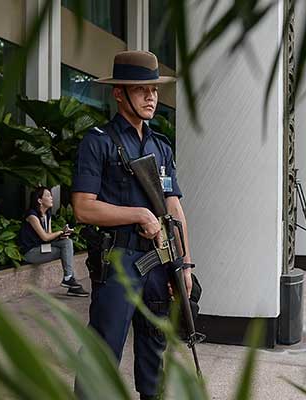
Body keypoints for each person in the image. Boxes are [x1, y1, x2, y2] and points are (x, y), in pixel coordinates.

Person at [71, 51, 193, 400]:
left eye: (153, 90)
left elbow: (174, 207)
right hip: (118, 260)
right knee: (104, 347)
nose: (150, 97)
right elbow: (83, 208)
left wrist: (184, 263)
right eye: (141, 90)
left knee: (154, 345)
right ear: (119, 93)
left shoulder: (161, 146)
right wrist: (138, 214)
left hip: (158, 259)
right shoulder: (99, 142)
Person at [18, 187, 89, 297]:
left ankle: (68, 278)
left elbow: (50, 236)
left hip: (42, 248)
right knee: (65, 252)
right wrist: (61, 232)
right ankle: (70, 283)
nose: (51, 198)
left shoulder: (47, 214)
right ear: (39, 200)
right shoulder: (32, 216)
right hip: (31, 253)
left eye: (51, 195)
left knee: (67, 242)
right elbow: (45, 237)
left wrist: (62, 235)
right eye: (48, 195)